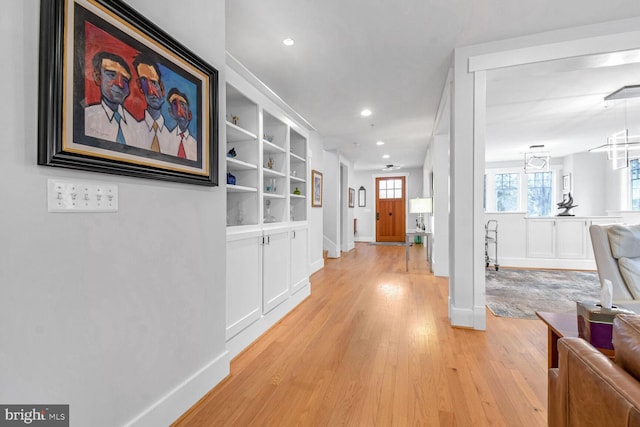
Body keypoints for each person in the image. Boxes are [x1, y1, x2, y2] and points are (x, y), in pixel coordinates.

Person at [84, 51, 137, 144]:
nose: (120, 84)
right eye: (111, 75)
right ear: (98, 77)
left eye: (125, 80)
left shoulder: (136, 126)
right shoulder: (87, 117)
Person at [128, 52, 173, 152]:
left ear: (162, 88)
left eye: (153, 82)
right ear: (140, 86)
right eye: (144, 83)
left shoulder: (173, 138)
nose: (151, 91)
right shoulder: (132, 131)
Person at [167, 88, 197, 160]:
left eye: (182, 104)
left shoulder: (195, 145)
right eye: (174, 104)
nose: (179, 109)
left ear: (189, 115)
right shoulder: (167, 138)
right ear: (171, 113)